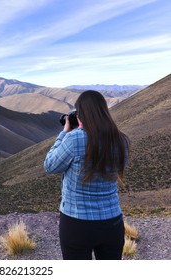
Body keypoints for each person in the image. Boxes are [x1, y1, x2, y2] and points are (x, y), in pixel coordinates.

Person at [44, 90, 129, 260]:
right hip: (112, 222)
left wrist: (64, 133)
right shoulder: (122, 140)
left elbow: (50, 165)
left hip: (77, 223)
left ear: (81, 115)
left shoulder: (74, 139)